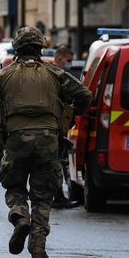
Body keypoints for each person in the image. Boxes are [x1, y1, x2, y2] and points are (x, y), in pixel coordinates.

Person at [0, 27, 90, 258]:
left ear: (17, 48)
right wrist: (68, 112)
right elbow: (84, 94)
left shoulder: (4, 74)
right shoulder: (55, 73)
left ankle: (20, 216)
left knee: (14, 185)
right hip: (48, 139)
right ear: (40, 48)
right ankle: (38, 246)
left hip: (17, 138)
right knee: (43, 194)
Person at [51, 45, 78, 208]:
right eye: (68, 61)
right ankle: (58, 197)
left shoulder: (47, 74)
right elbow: (81, 95)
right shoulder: (57, 76)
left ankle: (56, 195)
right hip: (53, 126)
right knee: (55, 163)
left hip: (53, 125)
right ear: (59, 59)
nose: (69, 64)